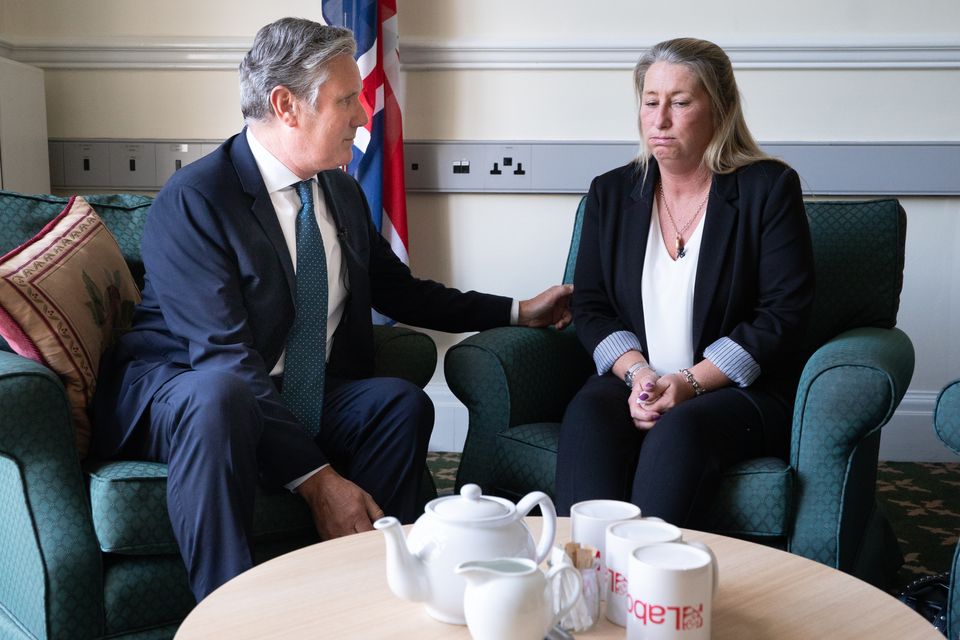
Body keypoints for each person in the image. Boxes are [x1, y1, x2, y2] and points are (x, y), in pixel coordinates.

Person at [92, 17, 572, 602]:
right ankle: (227, 610)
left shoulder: (339, 192)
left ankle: (372, 592)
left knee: (397, 405)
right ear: (286, 105)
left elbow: (404, 291)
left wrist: (520, 310)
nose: (363, 117)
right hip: (186, 392)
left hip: (294, 389)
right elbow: (224, 358)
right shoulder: (196, 200)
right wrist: (318, 482)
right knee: (222, 397)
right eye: (347, 100)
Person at [554, 38, 815, 525]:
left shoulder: (769, 188)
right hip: (640, 379)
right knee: (589, 414)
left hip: (735, 392)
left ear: (719, 108)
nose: (660, 119)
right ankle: (582, 578)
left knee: (681, 430)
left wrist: (690, 383)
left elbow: (783, 315)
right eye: (651, 102)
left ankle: (649, 587)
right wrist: (639, 376)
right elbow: (591, 306)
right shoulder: (611, 193)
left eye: (680, 102)